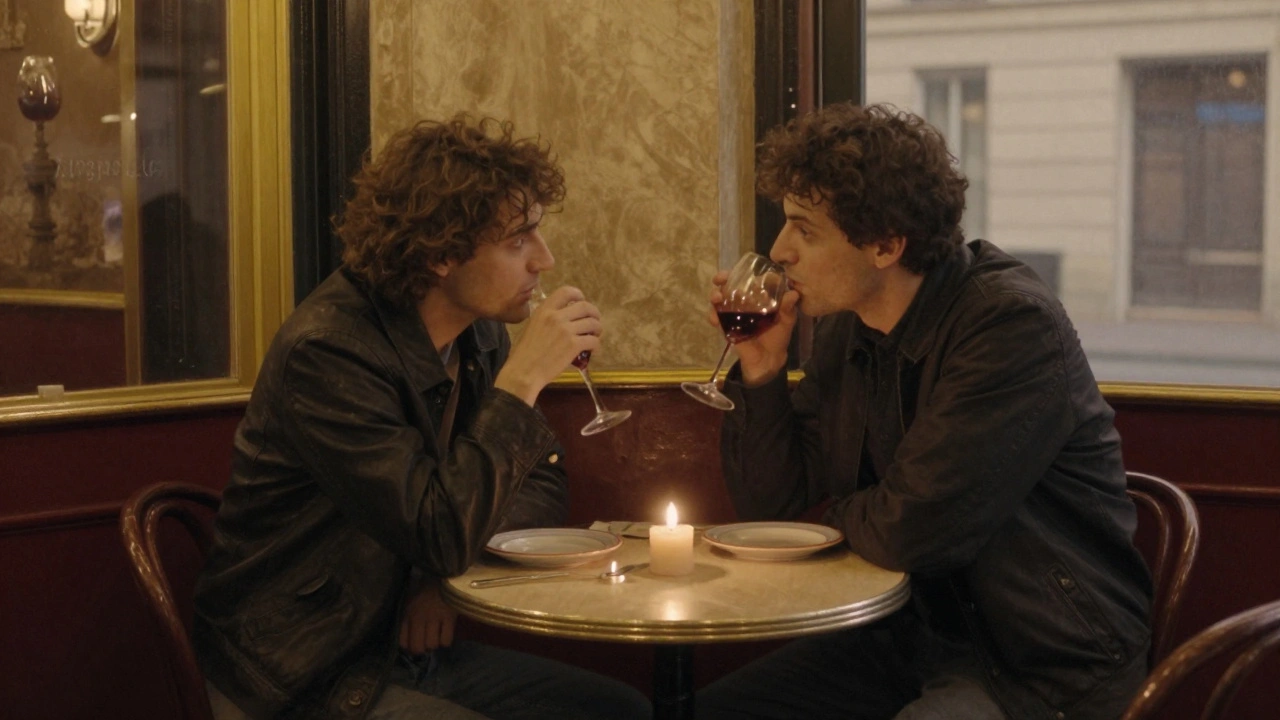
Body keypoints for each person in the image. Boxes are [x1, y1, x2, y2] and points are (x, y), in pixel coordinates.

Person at [697, 103, 1152, 720]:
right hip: (905, 640)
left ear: (886, 245)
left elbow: (914, 531)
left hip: (1036, 659)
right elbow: (769, 505)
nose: (779, 251)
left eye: (805, 229)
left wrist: (841, 515)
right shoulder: (846, 328)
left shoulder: (1008, 324)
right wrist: (762, 369)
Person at [192, 114, 650, 720]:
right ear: (440, 253)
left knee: (620, 710)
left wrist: (436, 583)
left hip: (390, 645)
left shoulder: (478, 334)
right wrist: (521, 383)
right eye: (518, 240)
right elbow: (439, 528)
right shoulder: (329, 352)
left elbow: (538, 478)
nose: (545, 258)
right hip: (300, 670)